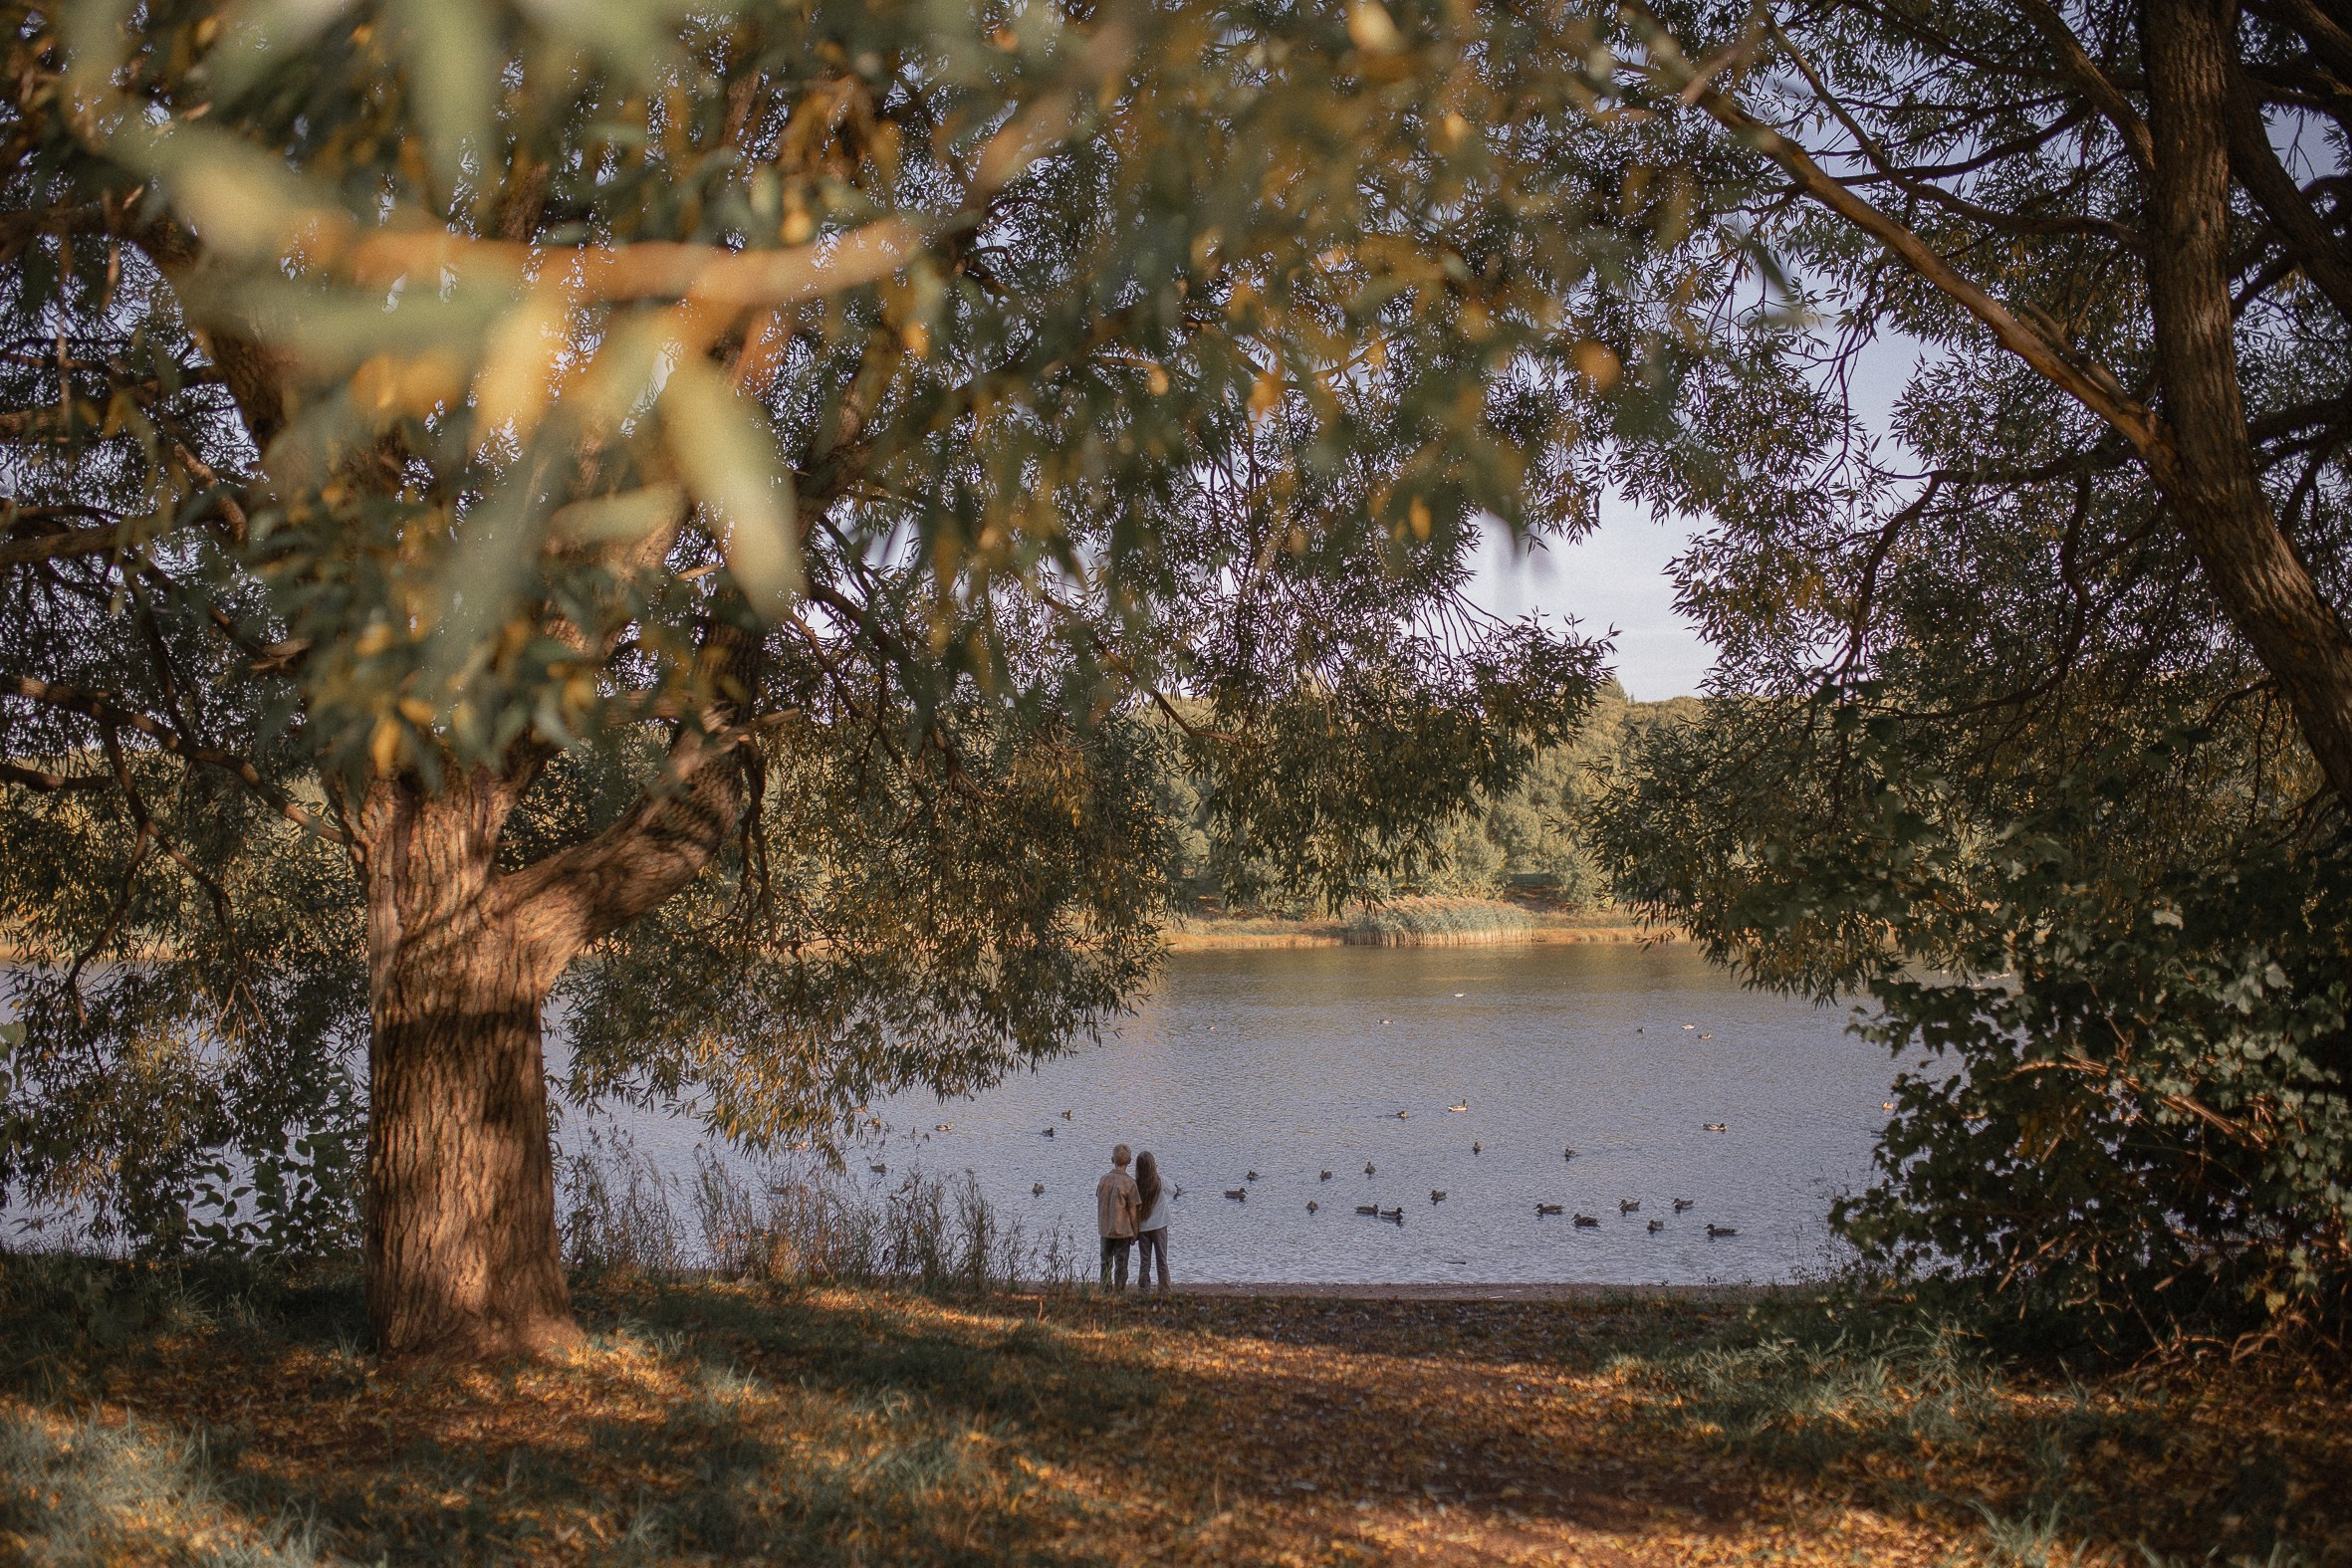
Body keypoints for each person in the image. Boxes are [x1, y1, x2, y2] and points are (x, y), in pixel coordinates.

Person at [1095, 1142, 1140, 1290]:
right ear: (1130, 1161)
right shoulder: (1130, 1183)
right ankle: (1119, 1291)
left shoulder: (1104, 1179)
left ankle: (1105, 1289)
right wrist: (1135, 1231)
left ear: (1112, 1160)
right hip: (1123, 1231)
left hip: (1105, 1228)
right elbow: (1133, 1210)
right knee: (1121, 1263)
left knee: (1105, 1261)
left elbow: (1099, 1198)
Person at [1133, 1150, 1170, 1292]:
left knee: (1145, 1261)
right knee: (1162, 1259)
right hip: (1160, 1225)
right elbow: (1173, 1190)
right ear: (1153, 1165)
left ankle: (1144, 1289)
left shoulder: (1136, 1185)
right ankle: (1164, 1288)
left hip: (1143, 1228)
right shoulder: (1160, 1181)